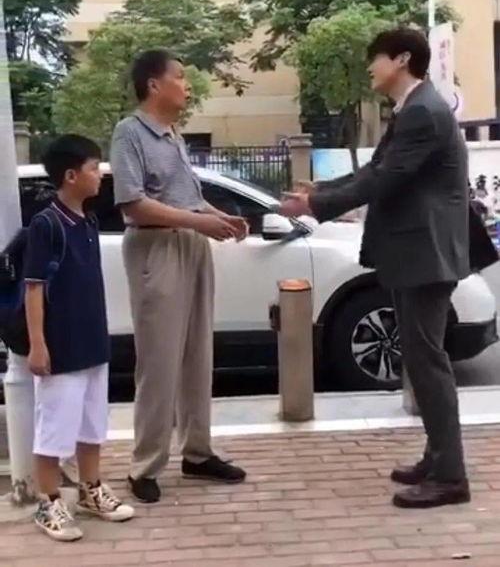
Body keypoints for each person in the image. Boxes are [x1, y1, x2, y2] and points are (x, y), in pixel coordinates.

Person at [281, 27, 471, 509]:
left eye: (376, 58)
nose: (370, 67)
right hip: (417, 253)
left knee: (427, 362)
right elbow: (374, 170)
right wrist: (320, 191)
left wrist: (316, 205)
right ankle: (437, 457)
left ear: (402, 59)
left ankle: (450, 477)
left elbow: (385, 179)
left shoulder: (423, 111)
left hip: (427, 254)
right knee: (420, 360)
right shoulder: (412, 108)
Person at [110, 49, 247, 504]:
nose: (187, 86)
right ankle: (145, 465)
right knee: (159, 360)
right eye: (181, 77)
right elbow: (134, 204)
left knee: (197, 355)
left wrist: (219, 217)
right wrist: (198, 222)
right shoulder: (129, 132)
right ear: (154, 84)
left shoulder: (174, 135)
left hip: (191, 244)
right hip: (157, 247)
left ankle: (198, 452)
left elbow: (187, 197)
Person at [25, 135, 134, 542]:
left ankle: (91, 490)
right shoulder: (46, 224)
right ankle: (48, 501)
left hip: (92, 342)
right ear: (71, 176)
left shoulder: (87, 221)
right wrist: (38, 344)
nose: (99, 175)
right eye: (93, 168)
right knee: (53, 430)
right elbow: (34, 288)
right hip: (61, 348)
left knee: (92, 426)